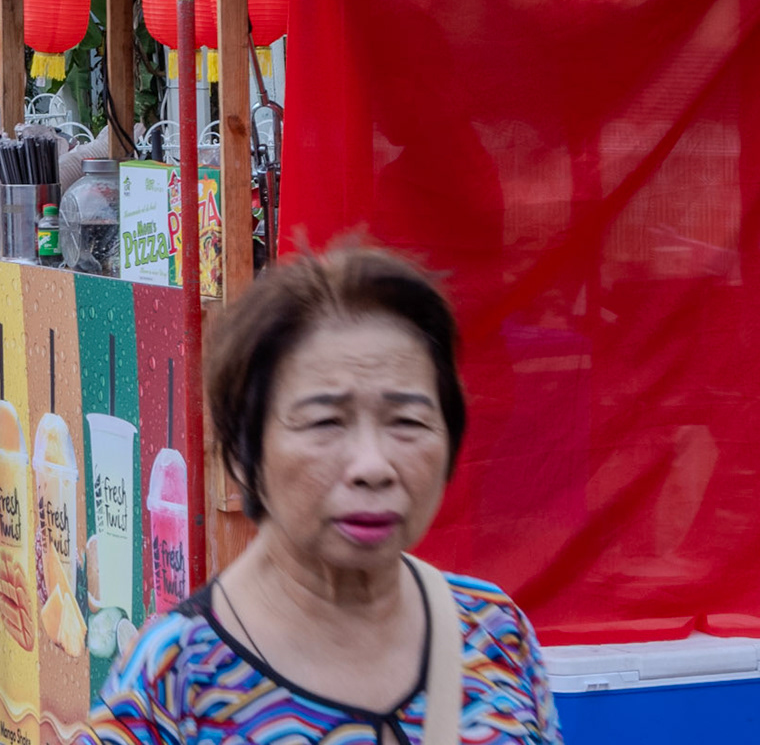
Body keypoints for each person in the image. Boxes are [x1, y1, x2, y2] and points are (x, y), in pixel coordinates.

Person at [82, 248, 560, 745]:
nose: (373, 466)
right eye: (325, 422)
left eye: (408, 422)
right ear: (243, 456)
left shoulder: (494, 634)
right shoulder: (173, 683)